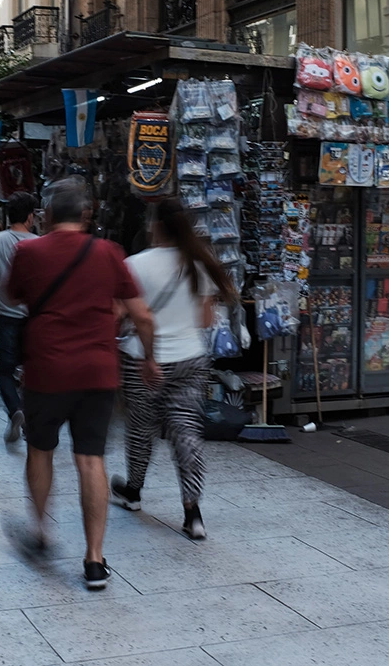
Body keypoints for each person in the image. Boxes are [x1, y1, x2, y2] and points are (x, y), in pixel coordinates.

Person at [6, 180, 156, 590]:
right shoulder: (109, 253)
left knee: (41, 451)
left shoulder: (29, 251)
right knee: (91, 460)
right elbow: (143, 316)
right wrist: (150, 359)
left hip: (46, 371)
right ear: (85, 216)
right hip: (97, 371)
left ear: (48, 216)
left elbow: (11, 296)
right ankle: (93, 559)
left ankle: (39, 533)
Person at [110, 198, 237, 540]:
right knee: (186, 431)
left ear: (155, 225)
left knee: (140, 429)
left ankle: (133, 491)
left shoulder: (134, 264)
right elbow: (207, 319)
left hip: (142, 358)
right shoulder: (199, 264)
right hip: (190, 358)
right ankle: (192, 512)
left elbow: (120, 315)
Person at [0, 191, 38, 442]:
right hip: (34, 317)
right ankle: (27, 419)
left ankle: (15, 409)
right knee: (33, 372)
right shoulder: (38, 243)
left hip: (7, 316)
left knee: (4, 371)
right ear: (30, 217)